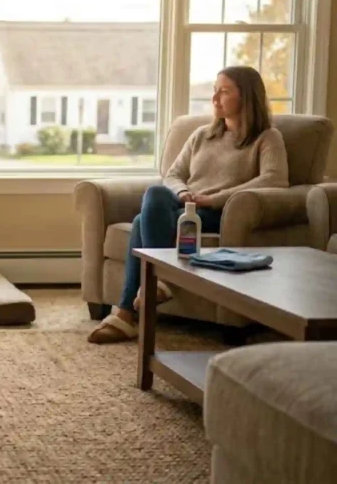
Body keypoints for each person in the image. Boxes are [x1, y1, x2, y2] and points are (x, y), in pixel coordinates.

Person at [88, 65, 289, 344]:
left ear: (247, 97)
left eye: (224, 91)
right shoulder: (201, 136)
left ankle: (125, 314)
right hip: (185, 206)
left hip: (219, 213)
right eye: (214, 90)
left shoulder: (267, 138)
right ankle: (159, 283)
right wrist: (183, 193)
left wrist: (213, 198)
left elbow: (275, 179)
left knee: (138, 223)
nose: (215, 98)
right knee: (157, 193)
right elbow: (172, 174)